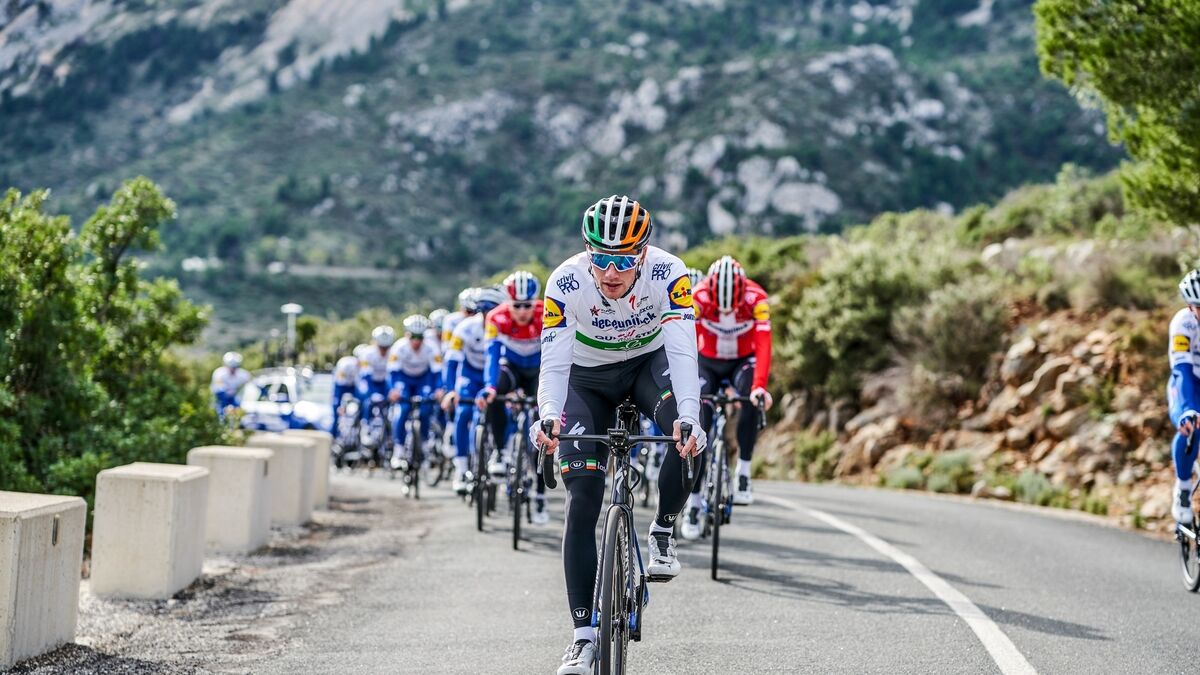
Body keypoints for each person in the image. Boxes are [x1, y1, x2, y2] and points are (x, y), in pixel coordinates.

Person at [531, 194, 706, 675]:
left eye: (624, 261)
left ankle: (663, 529)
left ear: (643, 255)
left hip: (648, 366)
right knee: (583, 496)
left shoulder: (669, 273)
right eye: (601, 259)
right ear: (587, 252)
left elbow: (683, 351)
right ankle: (582, 638)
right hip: (586, 380)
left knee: (690, 437)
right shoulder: (565, 282)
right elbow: (554, 363)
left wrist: (688, 416)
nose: (611, 272)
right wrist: (549, 416)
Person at [679, 256, 774, 540]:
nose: (727, 311)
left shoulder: (756, 298)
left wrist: (759, 386)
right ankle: (694, 503)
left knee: (751, 400)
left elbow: (764, 344)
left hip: (741, 362)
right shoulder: (698, 297)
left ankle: (743, 471)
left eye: (732, 305)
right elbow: (685, 341)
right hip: (707, 362)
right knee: (700, 423)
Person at [476, 270, 548, 524]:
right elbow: (492, 356)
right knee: (494, 394)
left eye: (527, 305)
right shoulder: (496, 318)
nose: (522, 311)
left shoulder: (547, 313)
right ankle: (499, 452)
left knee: (545, 423)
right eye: (516, 305)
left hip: (539, 369)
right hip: (512, 369)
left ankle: (540, 495)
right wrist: (489, 387)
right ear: (508, 303)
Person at [442, 286, 507, 494]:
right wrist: (450, 390)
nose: (490, 316)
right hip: (470, 375)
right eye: (486, 311)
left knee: (503, 411)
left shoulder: (505, 327)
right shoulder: (465, 328)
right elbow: (452, 361)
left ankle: (501, 454)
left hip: (496, 375)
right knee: (463, 413)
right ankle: (461, 469)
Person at [388, 315, 441, 469]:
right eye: (413, 337)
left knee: (425, 410)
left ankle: (423, 443)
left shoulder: (432, 347)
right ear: (407, 335)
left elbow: (437, 372)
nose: (416, 341)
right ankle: (398, 450)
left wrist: (439, 389)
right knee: (403, 409)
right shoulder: (399, 347)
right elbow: (392, 372)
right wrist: (393, 390)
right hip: (404, 379)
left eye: (420, 337)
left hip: (423, 380)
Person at [1168, 270, 1200, 525]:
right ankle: (1183, 489)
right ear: (1191, 307)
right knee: (1191, 425)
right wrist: (1188, 408)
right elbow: (1182, 370)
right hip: (1187, 383)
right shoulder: (1183, 323)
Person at [211, 351, 251, 420]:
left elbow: (250, 382)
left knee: (238, 408)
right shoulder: (219, 373)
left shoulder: (243, 374)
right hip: (221, 397)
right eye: (231, 367)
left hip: (235, 397)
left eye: (235, 367)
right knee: (221, 410)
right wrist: (228, 391)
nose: (233, 369)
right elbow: (218, 388)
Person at [332, 349, 361, 436]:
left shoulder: (363, 365)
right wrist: (342, 407)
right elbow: (340, 383)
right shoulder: (345, 364)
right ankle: (334, 435)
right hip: (341, 385)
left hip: (353, 385)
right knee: (337, 409)